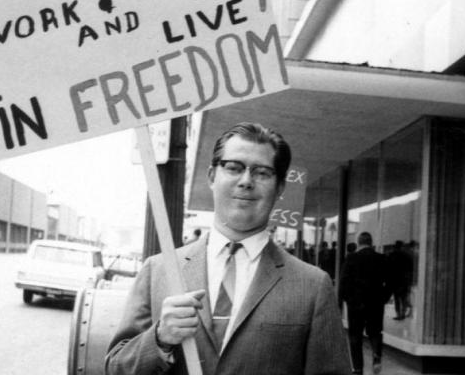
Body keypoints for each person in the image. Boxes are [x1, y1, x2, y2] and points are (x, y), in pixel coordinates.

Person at [106, 122, 351, 375]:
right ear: (212, 177)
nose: (246, 181)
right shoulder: (158, 270)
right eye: (234, 168)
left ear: (279, 188)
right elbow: (116, 368)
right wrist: (159, 338)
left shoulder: (312, 286)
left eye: (262, 173)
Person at [340, 232, 390, 375]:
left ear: (359, 242)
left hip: (356, 305)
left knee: (355, 336)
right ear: (371, 242)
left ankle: (358, 368)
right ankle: (376, 355)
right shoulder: (381, 258)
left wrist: (348, 299)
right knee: (375, 332)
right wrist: (383, 297)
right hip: (376, 303)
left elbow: (343, 282)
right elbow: (391, 281)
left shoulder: (351, 258)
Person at [388, 240, 413, 320]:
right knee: (403, 298)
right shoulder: (407, 256)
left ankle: (398, 313)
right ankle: (402, 313)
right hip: (404, 280)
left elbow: (388, 268)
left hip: (395, 280)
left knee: (396, 298)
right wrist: (410, 281)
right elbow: (410, 269)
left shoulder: (392, 255)